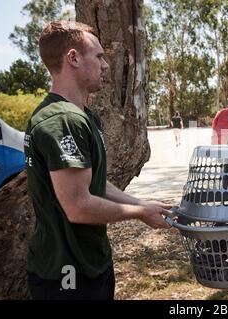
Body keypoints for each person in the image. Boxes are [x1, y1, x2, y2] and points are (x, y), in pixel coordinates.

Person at [24, 21, 172, 300]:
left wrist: (143, 204)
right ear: (73, 58)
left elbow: (95, 185)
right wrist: (140, 214)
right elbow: (78, 207)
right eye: (100, 56)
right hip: (64, 274)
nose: (106, 65)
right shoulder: (62, 120)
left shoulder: (83, 116)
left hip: (92, 263)